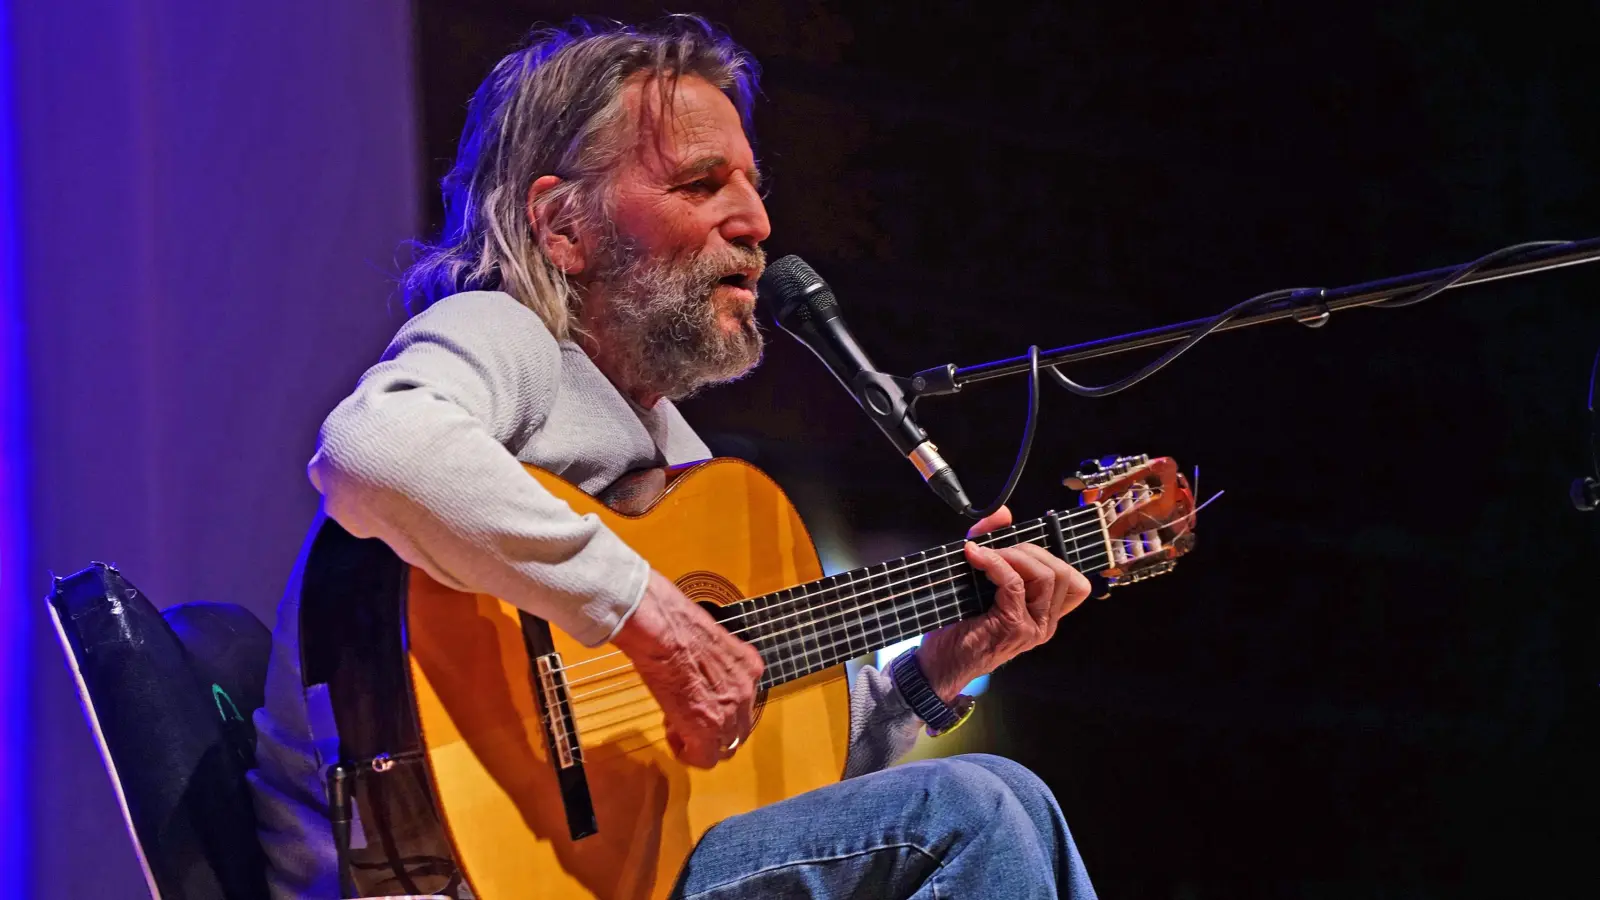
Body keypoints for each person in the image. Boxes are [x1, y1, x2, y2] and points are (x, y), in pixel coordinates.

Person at [250, 15, 1098, 900]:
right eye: (701, 184)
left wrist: (937, 673)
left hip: (619, 876)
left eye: (753, 186)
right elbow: (372, 447)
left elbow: (787, 790)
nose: (758, 221)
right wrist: (641, 610)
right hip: (444, 874)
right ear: (561, 223)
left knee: (988, 800)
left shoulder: (671, 452)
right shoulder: (502, 333)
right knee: (983, 805)